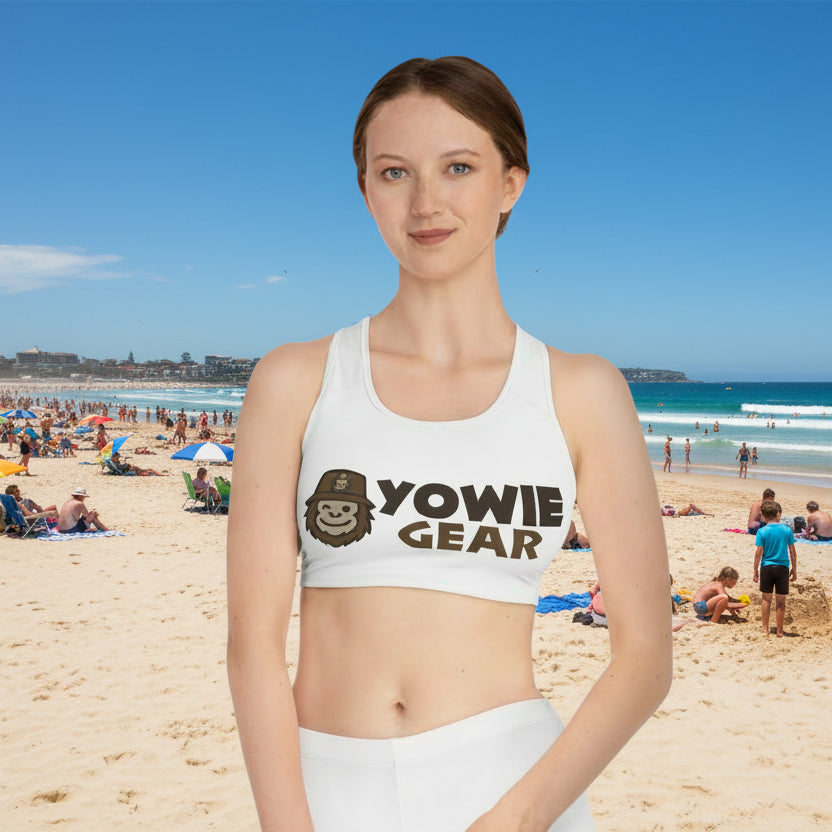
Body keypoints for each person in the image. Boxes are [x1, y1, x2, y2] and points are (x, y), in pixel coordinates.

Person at [226, 56, 671, 832]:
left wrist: (522, 816)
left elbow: (645, 659)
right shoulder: (296, 380)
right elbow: (253, 648)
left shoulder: (582, 392)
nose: (426, 202)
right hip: (324, 782)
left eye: (458, 166)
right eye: (394, 172)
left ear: (510, 183)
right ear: (365, 189)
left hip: (511, 782)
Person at [753, 501, 797, 637]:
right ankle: (779, 631)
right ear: (778, 515)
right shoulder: (787, 530)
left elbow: (758, 552)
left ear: (764, 517)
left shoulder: (762, 531)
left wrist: (755, 570)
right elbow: (792, 551)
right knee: (781, 602)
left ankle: (765, 629)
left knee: (766, 600)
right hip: (782, 568)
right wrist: (794, 569)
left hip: (766, 567)